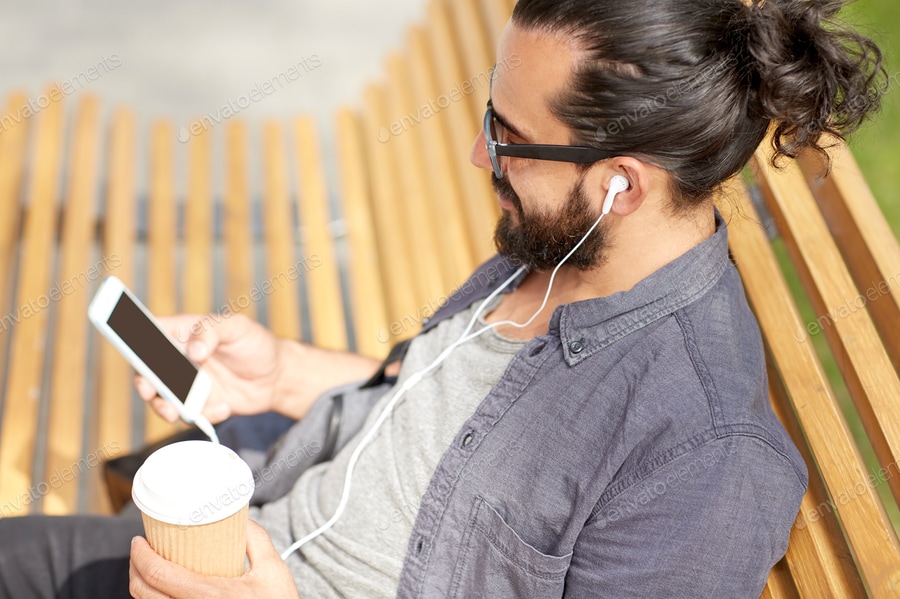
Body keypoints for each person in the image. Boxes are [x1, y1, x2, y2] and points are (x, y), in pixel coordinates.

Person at [0, 0, 885, 597]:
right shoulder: (566, 239)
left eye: (508, 138)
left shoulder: (704, 459)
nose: (477, 156)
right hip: (262, 519)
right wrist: (282, 374)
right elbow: (457, 419)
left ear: (621, 184)